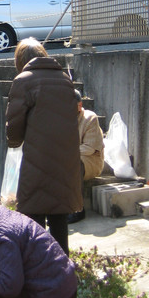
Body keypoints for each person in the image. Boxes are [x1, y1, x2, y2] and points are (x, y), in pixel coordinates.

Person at [6, 37, 82, 255]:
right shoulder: (64, 80)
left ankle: (39, 267)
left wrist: (13, 141)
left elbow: (14, 124)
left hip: (37, 159)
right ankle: (62, 267)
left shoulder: (23, 80)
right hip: (65, 159)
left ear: (20, 60)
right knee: (59, 214)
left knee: (34, 213)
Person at [68, 88, 105, 224]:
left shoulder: (90, 118)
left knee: (73, 163)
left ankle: (78, 208)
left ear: (79, 106)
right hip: (70, 157)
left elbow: (89, 148)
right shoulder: (61, 119)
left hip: (91, 161)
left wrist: (65, 153)